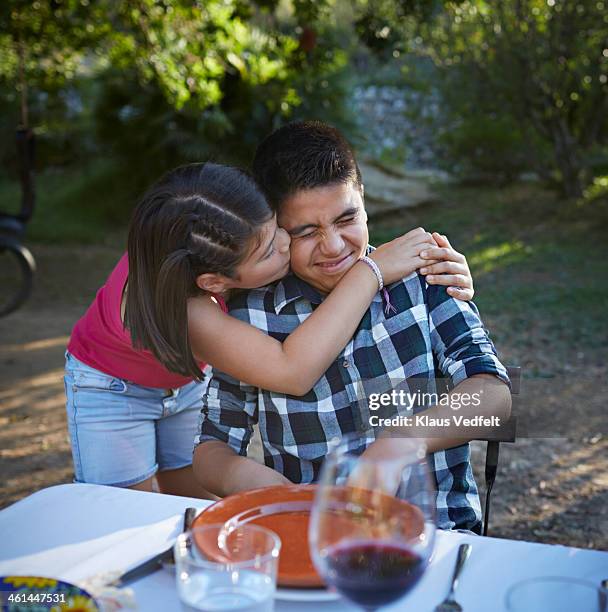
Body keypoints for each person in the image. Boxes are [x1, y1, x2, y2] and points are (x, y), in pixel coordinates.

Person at [65, 161, 474, 497]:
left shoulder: (209, 222)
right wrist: (372, 270)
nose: (284, 244)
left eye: (278, 227)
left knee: (186, 499)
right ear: (214, 282)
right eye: (267, 250)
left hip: (184, 384)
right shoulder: (195, 312)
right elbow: (291, 372)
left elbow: (497, 399)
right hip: (113, 390)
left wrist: (446, 274)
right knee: (124, 509)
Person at [193, 121, 511, 531]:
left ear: (363, 199)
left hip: (437, 531)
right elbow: (211, 450)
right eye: (306, 232)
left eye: (347, 219)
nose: (333, 246)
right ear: (274, 230)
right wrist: (276, 491)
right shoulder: (252, 317)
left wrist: (402, 441)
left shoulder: (425, 277)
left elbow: (496, 398)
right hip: (315, 538)